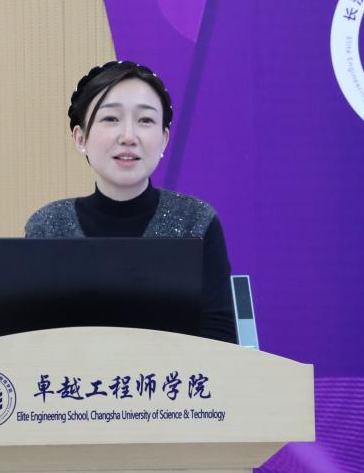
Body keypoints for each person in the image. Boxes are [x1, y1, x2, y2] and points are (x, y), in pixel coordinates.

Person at [25, 60, 238, 343]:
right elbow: (29, 344)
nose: (128, 136)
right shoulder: (48, 225)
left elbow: (220, 342)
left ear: (164, 140)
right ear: (80, 137)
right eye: (110, 119)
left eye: (145, 120)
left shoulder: (196, 221)